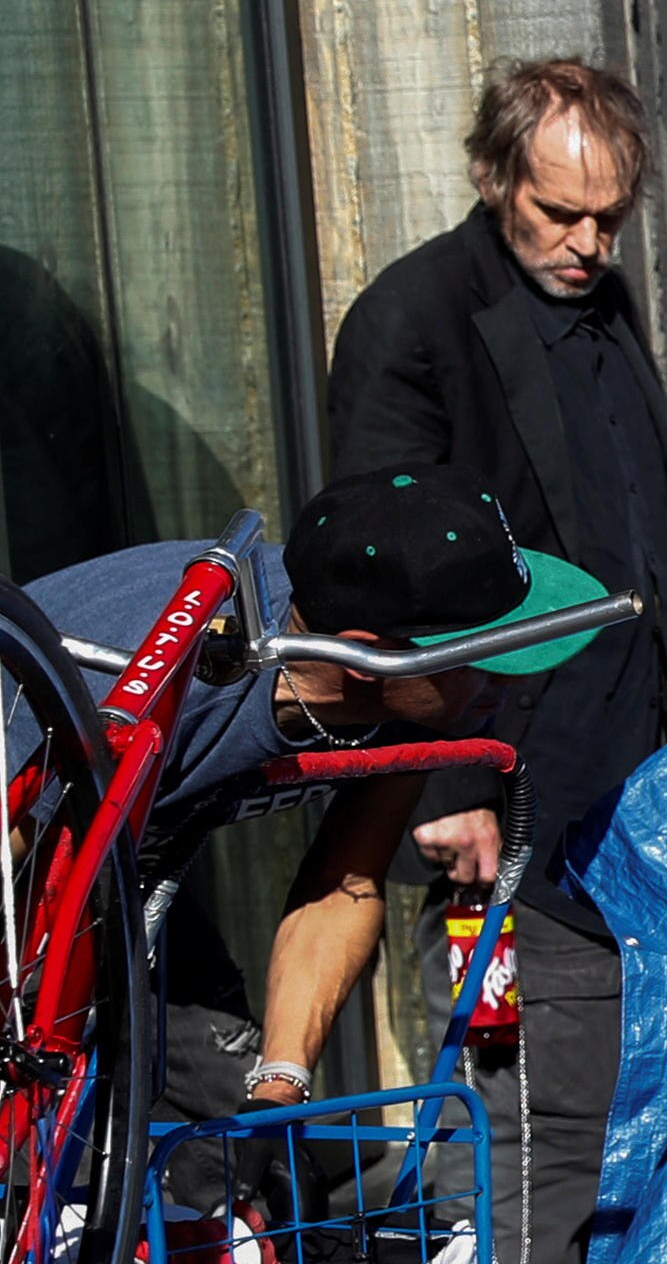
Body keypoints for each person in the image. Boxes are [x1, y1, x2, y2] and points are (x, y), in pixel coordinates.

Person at [322, 59, 667, 1264]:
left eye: (609, 218)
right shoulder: (416, 323)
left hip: (648, 776)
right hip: (510, 792)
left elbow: (660, 531)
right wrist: (443, 791)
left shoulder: (604, 308)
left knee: (647, 1104)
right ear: (497, 176)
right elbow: (379, 580)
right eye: (560, 213)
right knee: (536, 1133)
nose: (585, 245)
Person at [16, 468, 620, 1186]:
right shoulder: (183, 685)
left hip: (127, 847)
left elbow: (345, 880)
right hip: (26, 832)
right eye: (486, 664)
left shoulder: (405, 694)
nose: (514, 686)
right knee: (41, 1159)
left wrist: (281, 1085)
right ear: (369, 657)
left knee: (237, 1154)